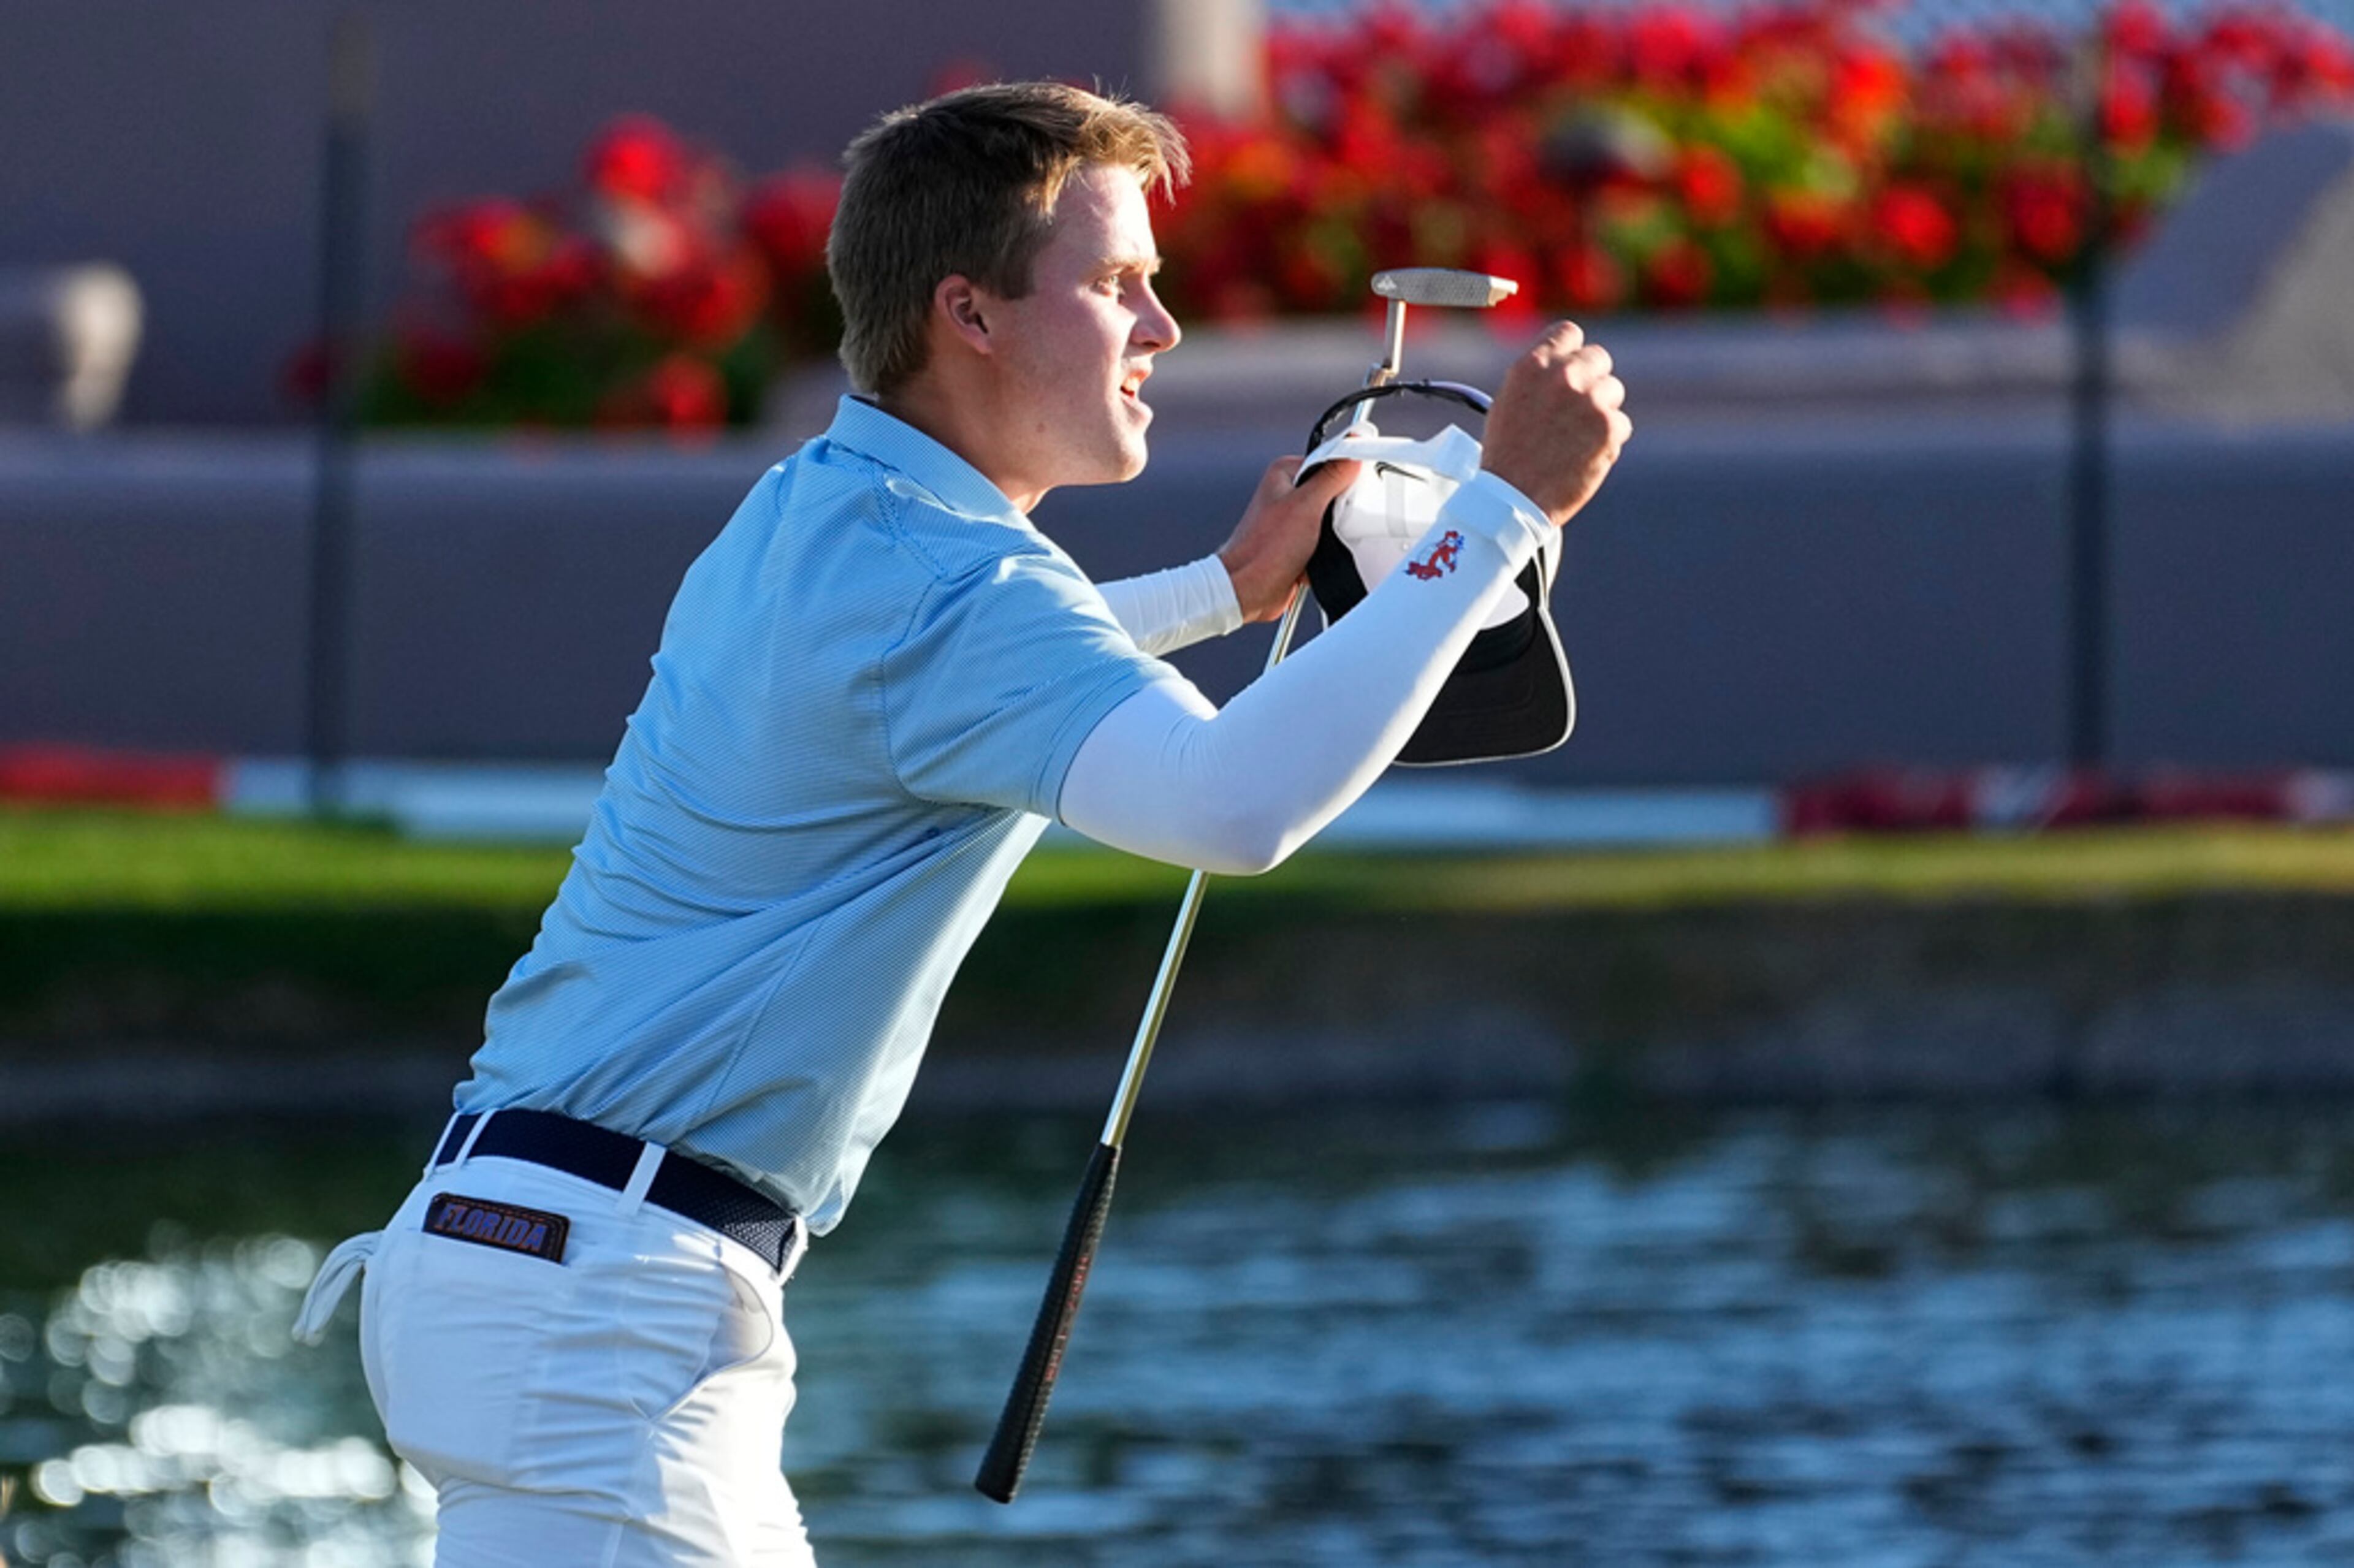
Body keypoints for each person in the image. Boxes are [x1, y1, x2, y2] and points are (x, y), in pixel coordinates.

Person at [295, 80, 1629, 1566]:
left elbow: (931, 700)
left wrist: (1219, 594)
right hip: (603, 1317)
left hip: (535, 1275)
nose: (1161, 330)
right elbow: (1232, 805)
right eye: (1119, 285)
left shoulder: (820, 510)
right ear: (970, 315)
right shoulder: (957, 586)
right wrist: (1502, 507)